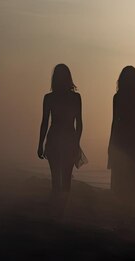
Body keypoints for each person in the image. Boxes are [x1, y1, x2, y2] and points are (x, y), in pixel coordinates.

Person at [108, 66, 135, 202]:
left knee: (122, 170)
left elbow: (115, 122)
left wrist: (111, 143)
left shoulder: (118, 97)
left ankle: (124, 202)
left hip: (122, 135)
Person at [37, 64, 83, 195]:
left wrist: (40, 144)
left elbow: (44, 123)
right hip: (68, 138)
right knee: (66, 178)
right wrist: (76, 142)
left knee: (56, 178)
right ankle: (62, 206)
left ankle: (57, 205)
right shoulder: (75, 97)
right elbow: (79, 123)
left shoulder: (49, 98)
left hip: (54, 138)